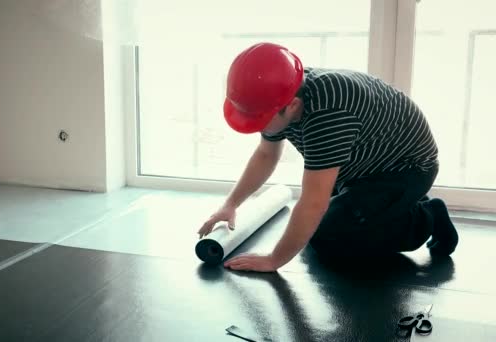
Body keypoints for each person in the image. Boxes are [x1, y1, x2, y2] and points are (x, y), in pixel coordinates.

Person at [197, 42, 459, 272]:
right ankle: (394, 206)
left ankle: (427, 215)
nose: (258, 127)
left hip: (404, 169)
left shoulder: (328, 114)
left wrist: (273, 260)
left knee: (328, 237)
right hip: (359, 164)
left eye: (260, 120)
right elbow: (266, 154)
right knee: (316, 226)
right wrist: (230, 204)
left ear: (293, 106)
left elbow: (312, 203)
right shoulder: (283, 91)